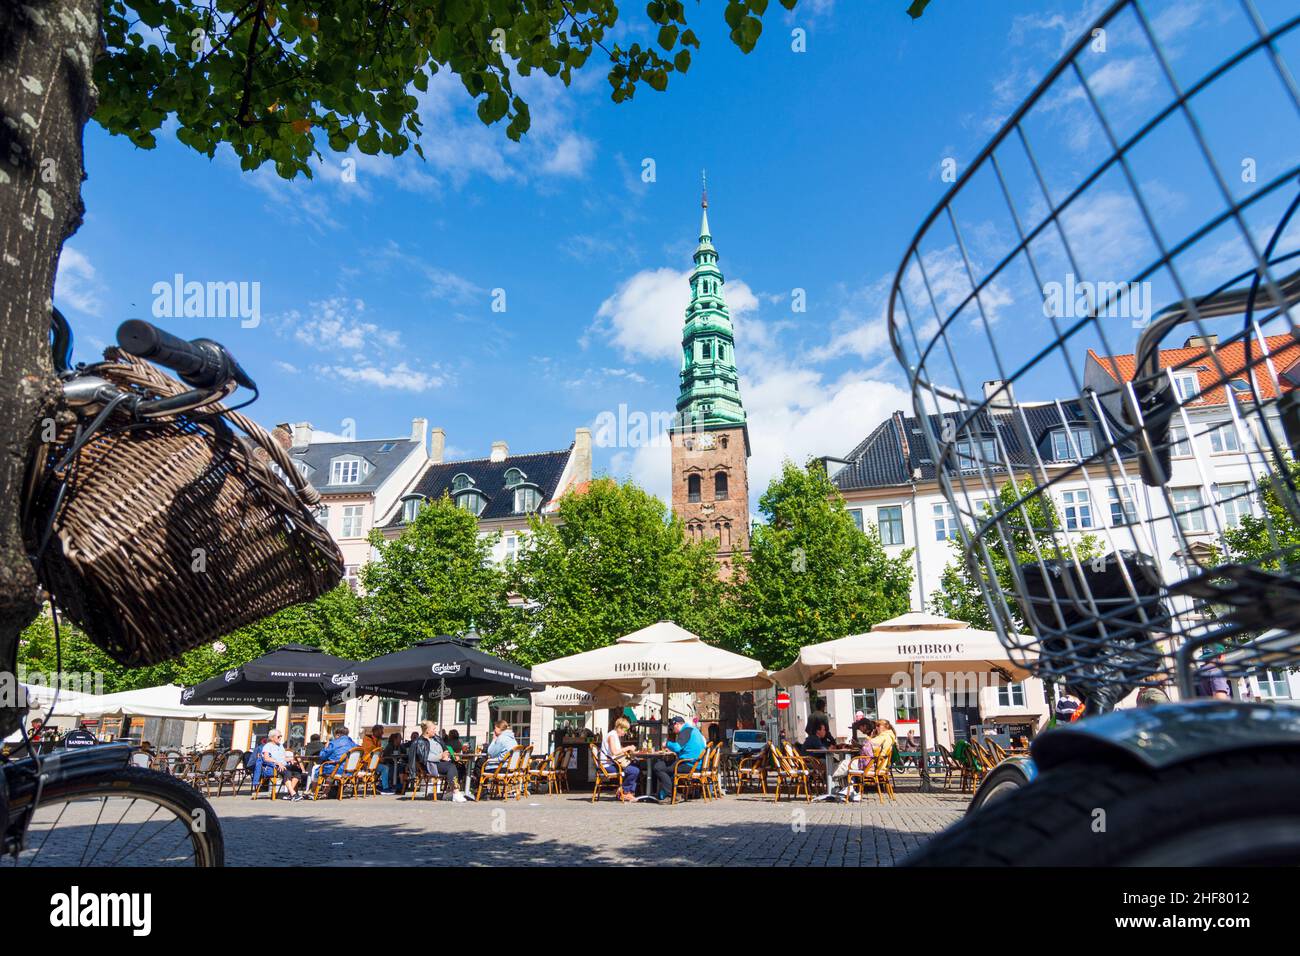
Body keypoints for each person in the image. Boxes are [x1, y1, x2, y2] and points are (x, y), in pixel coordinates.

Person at [649, 716, 706, 801]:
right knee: (667, 767)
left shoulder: (685, 731)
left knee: (658, 767)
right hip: (696, 763)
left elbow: (677, 747)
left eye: (672, 728)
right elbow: (688, 748)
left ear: (677, 724)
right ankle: (673, 792)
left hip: (689, 764)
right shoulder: (694, 730)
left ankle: (668, 795)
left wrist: (667, 744)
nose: (673, 731)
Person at [409, 720, 466, 801]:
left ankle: (449, 792)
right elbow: (424, 757)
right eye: (433, 729)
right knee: (451, 767)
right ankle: (456, 791)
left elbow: (446, 747)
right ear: (427, 730)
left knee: (460, 766)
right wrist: (440, 757)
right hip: (431, 765)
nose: (435, 731)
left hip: (442, 762)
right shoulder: (419, 742)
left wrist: (452, 755)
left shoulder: (436, 738)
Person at [308, 726, 360, 792]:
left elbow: (322, 756)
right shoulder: (354, 745)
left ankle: (313, 791)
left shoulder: (334, 743)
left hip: (337, 770)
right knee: (332, 767)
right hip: (351, 771)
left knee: (316, 768)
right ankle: (326, 791)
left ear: (338, 735)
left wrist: (325, 747)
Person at [601, 716, 639, 802]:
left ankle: (628, 792)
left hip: (612, 763)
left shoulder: (614, 735)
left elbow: (616, 750)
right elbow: (614, 752)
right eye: (625, 730)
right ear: (619, 728)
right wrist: (628, 747)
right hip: (607, 765)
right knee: (634, 770)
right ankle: (624, 792)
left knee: (635, 766)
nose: (625, 733)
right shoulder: (611, 736)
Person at [260, 729, 305, 800]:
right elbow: (266, 758)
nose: (280, 738)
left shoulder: (280, 746)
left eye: (281, 736)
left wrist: (290, 759)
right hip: (274, 766)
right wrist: (277, 762)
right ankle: (293, 794)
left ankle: (290, 793)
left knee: (297, 770)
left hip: (284, 765)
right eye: (278, 736)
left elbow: (283, 758)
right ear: (272, 738)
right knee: (287, 772)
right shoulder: (267, 746)